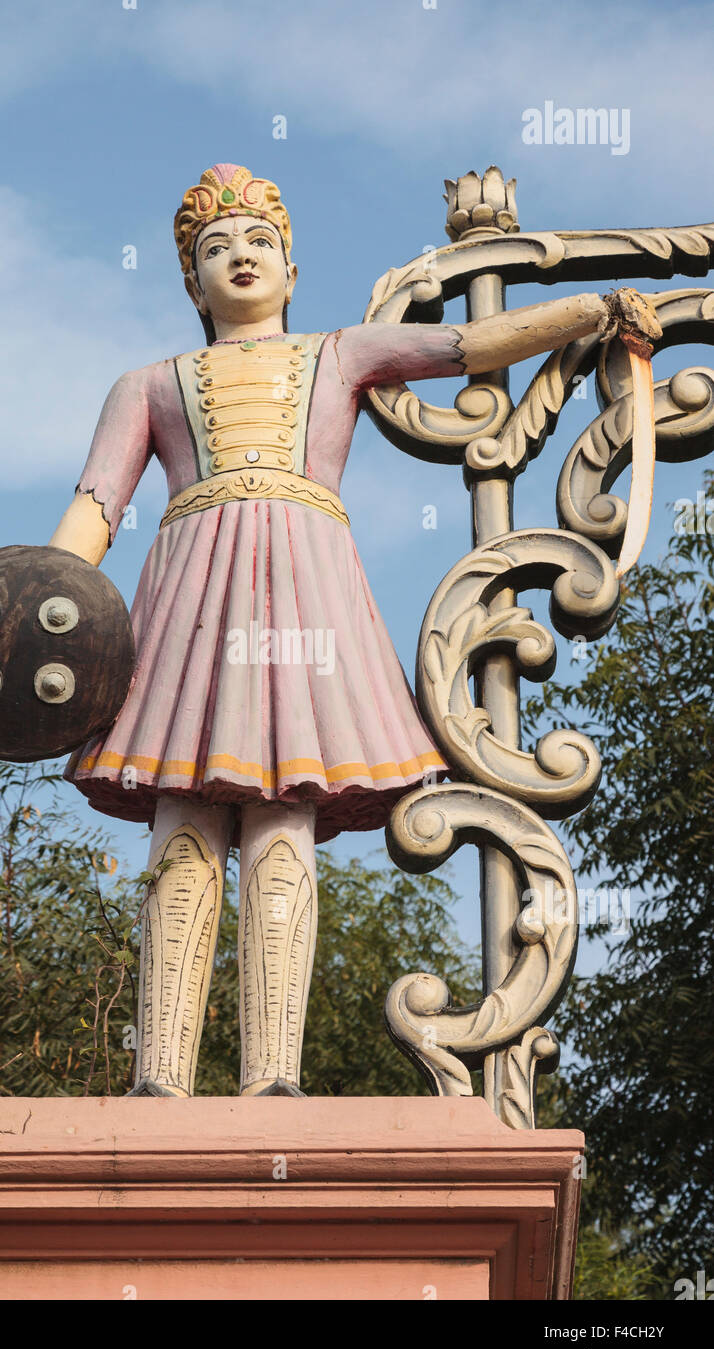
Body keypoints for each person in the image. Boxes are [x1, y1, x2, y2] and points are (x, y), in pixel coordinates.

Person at [49, 163, 608, 1098]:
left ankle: (274, 1076)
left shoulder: (338, 355)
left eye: (257, 243)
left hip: (302, 596)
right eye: (214, 249)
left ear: (292, 270)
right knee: (184, 816)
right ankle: (160, 1079)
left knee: (283, 816)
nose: (237, 258)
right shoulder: (147, 385)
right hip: (189, 601)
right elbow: (94, 510)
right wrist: (43, 603)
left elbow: (470, 345)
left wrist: (589, 313)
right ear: (191, 282)